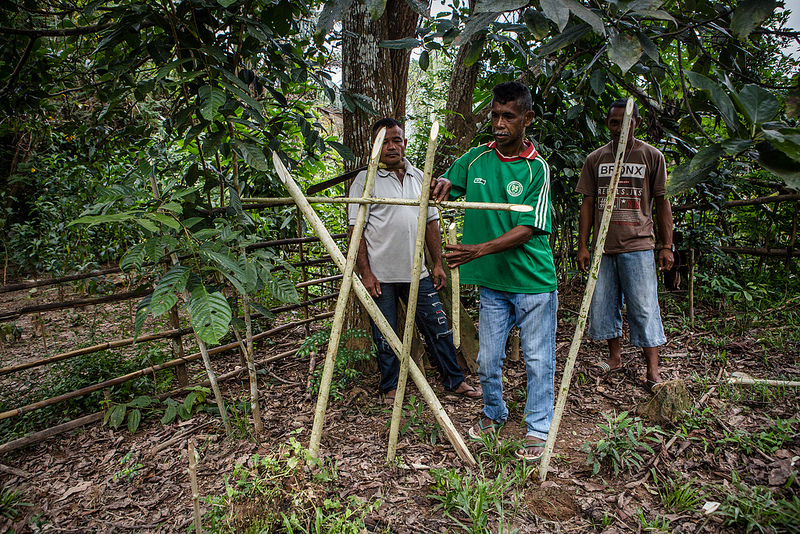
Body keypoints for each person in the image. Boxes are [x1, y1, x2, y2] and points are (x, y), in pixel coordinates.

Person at [441, 82, 558, 462]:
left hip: (533, 282)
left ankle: (538, 426)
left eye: (509, 116)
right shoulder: (476, 159)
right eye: (495, 115)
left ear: (527, 119)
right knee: (489, 360)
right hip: (493, 284)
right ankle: (494, 412)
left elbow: (528, 229)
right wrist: (441, 183)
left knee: (538, 359)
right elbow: (448, 182)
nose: (499, 123)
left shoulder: (536, 168)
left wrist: (478, 250)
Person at [348, 118, 481, 404]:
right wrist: (366, 273)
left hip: (417, 272)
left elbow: (432, 224)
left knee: (438, 325)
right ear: (375, 147)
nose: (392, 146)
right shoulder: (365, 180)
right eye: (384, 142)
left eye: (396, 140)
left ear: (405, 143)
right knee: (385, 334)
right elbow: (355, 230)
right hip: (381, 274)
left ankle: (454, 381)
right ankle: (390, 387)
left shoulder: (420, 177)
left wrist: (436, 264)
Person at [575, 99, 674, 392]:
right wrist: (583, 245)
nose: (619, 128)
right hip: (604, 249)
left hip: (639, 245)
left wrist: (667, 245)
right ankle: (614, 357)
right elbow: (588, 203)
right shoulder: (596, 159)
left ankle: (653, 370)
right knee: (604, 305)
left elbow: (662, 201)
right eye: (614, 123)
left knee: (643, 308)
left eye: (626, 122)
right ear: (608, 125)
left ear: (637, 124)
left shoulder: (651, 156)